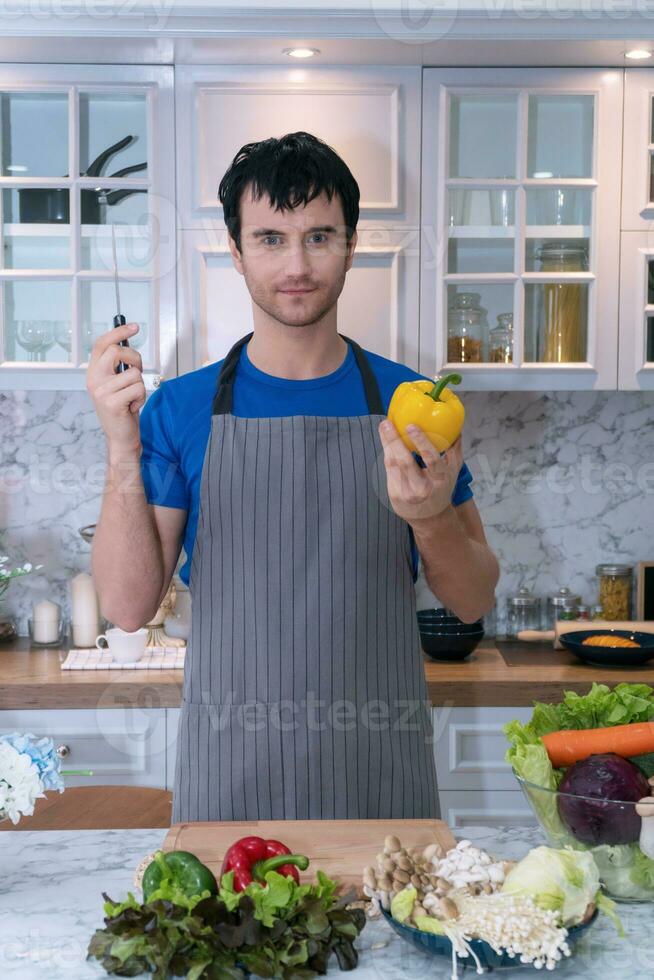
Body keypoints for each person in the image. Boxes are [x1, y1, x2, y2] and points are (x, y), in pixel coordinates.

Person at [87, 131, 499, 823]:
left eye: (319, 236)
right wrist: (121, 450)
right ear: (236, 250)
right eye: (271, 238)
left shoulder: (415, 405)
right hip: (230, 775)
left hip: (380, 775)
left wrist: (428, 516)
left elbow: (470, 599)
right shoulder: (179, 409)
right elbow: (128, 608)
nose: (297, 264)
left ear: (352, 244)